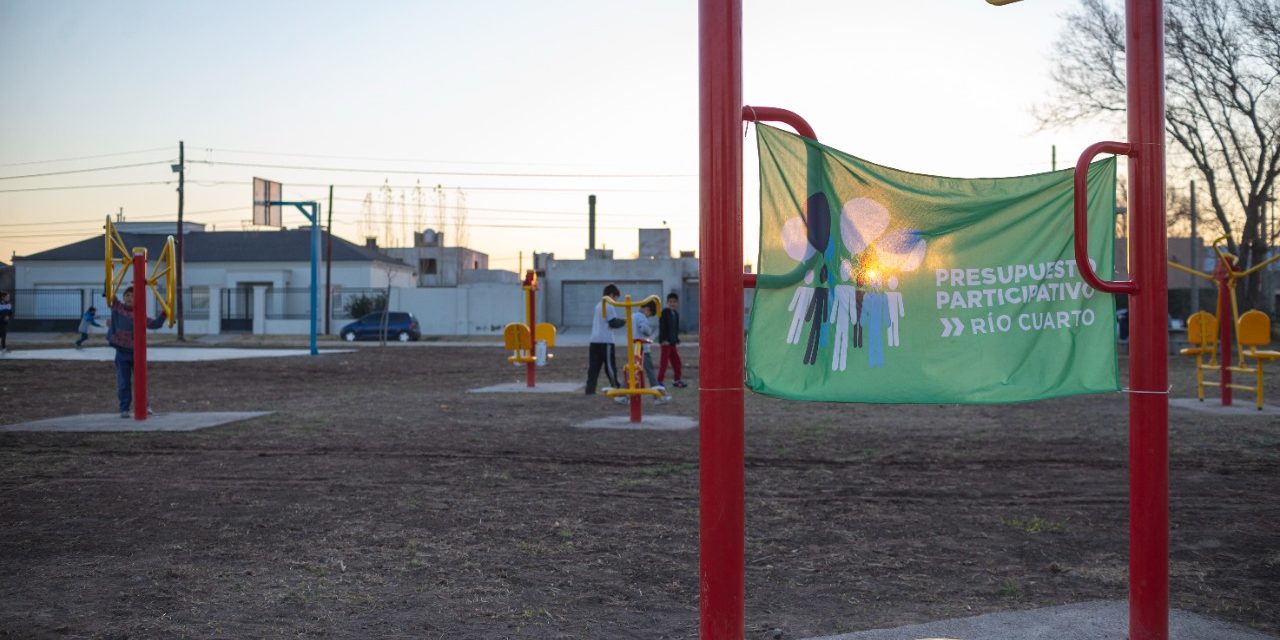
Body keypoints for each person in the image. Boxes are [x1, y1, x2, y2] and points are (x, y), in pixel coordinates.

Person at [109, 287, 166, 417]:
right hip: (121, 352)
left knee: (140, 381)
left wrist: (165, 312)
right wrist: (109, 280)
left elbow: (155, 324)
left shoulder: (140, 314)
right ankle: (124, 408)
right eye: (127, 295)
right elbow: (110, 294)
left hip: (137, 353)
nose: (129, 298)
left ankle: (144, 406)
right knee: (123, 382)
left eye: (133, 296)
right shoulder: (117, 307)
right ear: (123, 298)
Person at [585, 283, 625, 395]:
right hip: (606, 341)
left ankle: (590, 389)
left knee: (593, 367)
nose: (616, 301)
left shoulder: (598, 305)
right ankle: (615, 386)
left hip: (594, 340)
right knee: (610, 366)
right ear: (612, 295)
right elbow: (613, 323)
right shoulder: (609, 305)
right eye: (616, 298)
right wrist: (625, 321)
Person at [635, 300, 669, 402]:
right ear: (647, 310)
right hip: (643, 350)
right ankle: (657, 397)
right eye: (650, 314)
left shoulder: (632, 316)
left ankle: (622, 394)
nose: (648, 316)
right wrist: (650, 331)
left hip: (633, 349)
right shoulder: (642, 317)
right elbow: (644, 329)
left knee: (632, 372)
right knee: (650, 372)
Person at [658, 292, 686, 388]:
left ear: (677, 303)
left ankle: (677, 380)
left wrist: (676, 339)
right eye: (670, 302)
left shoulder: (676, 314)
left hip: (672, 343)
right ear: (667, 302)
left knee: (677, 362)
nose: (672, 304)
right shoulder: (664, 312)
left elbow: (675, 328)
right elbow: (662, 327)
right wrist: (663, 340)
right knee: (664, 363)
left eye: (674, 302)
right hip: (666, 343)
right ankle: (659, 381)